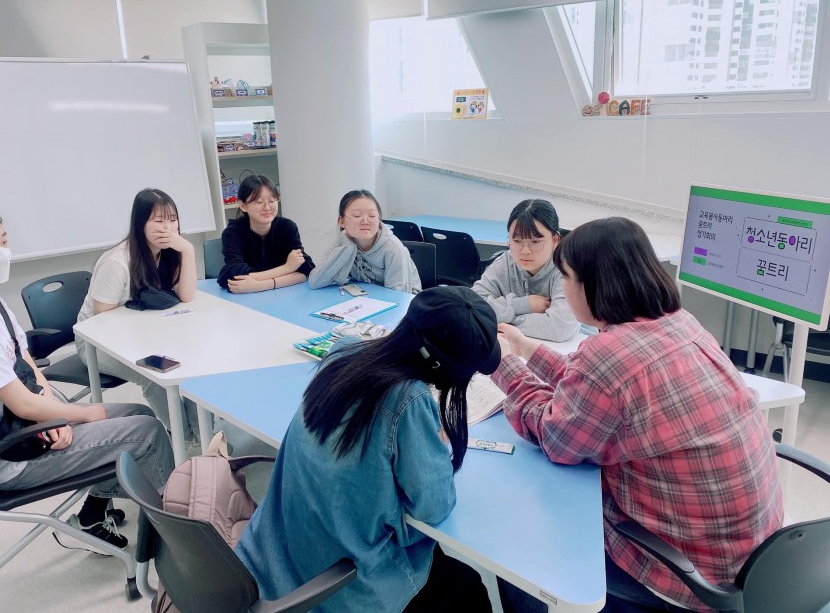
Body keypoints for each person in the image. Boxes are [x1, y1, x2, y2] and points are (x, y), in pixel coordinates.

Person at [492, 218, 782, 613]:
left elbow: (556, 439)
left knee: (517, 538)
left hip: (689, 576)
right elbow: (596, 387)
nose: (563, 288)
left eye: (567, 278)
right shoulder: (680, 323)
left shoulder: (607, 357)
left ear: (594, 284)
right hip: (755, 561)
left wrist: (504, 366)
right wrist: (527, 349)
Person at [236, 286, 498, 612]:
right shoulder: (409, 401)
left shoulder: (343, 352)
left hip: (274, 557)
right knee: (469, 587)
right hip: (337, 586)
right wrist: (436, 443)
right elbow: (434, 507)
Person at [0, 202, 174, 549]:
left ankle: (92, 515)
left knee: (140, 413)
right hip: (13, 453)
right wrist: (69, 415)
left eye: (4, 241)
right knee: (148, 434)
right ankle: (175, 533)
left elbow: (28, 365)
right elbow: (21, 404)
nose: (1, 253)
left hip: (27, 425)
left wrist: (53, 414)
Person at [76, 188, 199, 441]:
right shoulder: (117, 262)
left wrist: (187, 250)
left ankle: (203, 435)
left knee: (194, 361)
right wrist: (145, 335)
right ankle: (186, 441)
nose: (168, 228)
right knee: (156, 373)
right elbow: (101, 320)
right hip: (97, 345)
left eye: (173, 219)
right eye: (159, 220)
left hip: (147, 336)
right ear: (140, 223)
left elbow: (186, 295)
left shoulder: (169, 252)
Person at [473, 199, 579, 342]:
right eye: (517, 241)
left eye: (535, 242)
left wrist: (497, 319)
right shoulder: (506, 262)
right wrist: (523, 305)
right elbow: (471, 306)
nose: (525, 251)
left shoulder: (566, 268)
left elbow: (559, 328)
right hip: (514, 345)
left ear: (555, 240)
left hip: (569, 347)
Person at [308, 189, 421, 294]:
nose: (365, 221)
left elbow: (399, 296)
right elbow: (315, 281)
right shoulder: (343, 240)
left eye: (372, 215)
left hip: (403, 303)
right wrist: (349, 247)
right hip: (364, 298)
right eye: (357, 215)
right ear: (341, 221)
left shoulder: (394, 249)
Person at [216, 174, 314, 293]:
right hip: (245, 300)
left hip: (284, 295)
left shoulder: (287, 227)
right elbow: (232, 277)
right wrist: (287, 268)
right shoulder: (232, 233)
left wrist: (259, 285)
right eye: (259, 202)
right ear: (243, 205)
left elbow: (305, 270)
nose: (267, 207)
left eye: (272, 201)